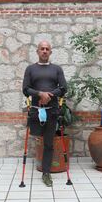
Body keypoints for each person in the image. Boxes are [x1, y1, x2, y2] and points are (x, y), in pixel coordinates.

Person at [22, 41, 67, 187]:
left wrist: (50, 95)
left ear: (50, 52)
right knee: (38, 138)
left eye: (47, 49)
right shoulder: (30, 69)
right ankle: (40, 164)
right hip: (36, 111)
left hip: (52, 111)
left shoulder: (57, 69)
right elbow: (25, 89)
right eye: (42, 49)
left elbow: (63, 88)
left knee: (49, 143)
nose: (45, 51)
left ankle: (46, 173)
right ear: (37, 51)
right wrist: (39, 93)